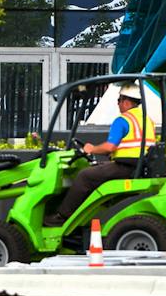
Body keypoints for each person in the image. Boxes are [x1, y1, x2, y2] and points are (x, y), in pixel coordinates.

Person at [48, 84, 155, 225]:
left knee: (84, 176)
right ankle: (80, 217)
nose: (118, 104)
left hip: (126, 167)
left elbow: (109, 147)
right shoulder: (147, 120)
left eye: (119, 100)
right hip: (139, 167)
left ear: (127, 102)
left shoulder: (123, 120)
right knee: (96, 168)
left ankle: (62, 217)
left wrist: (91, 149)